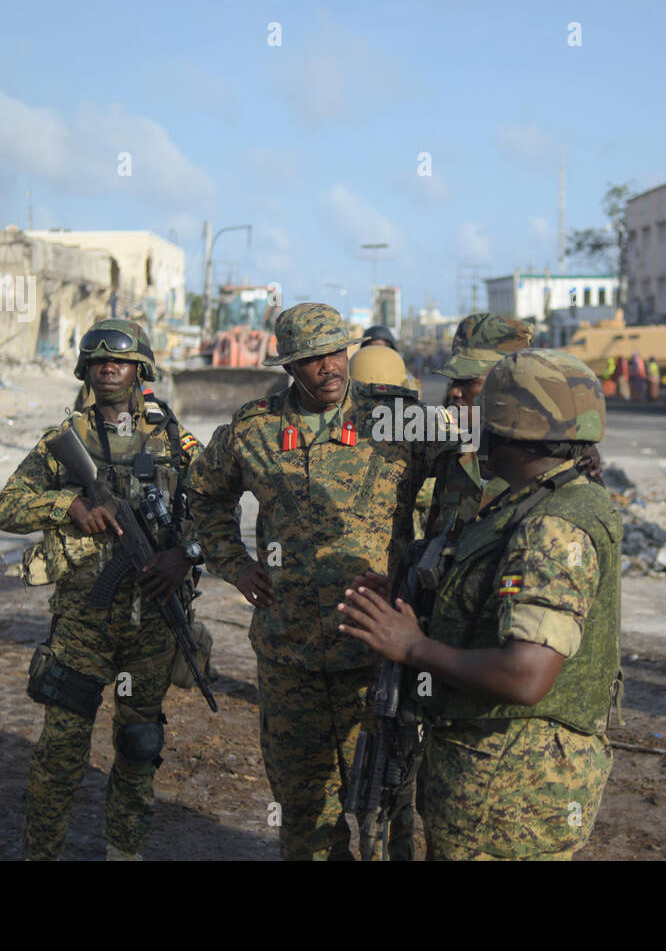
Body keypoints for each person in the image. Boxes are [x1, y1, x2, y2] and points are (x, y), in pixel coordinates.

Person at [337, 349, 622, 860]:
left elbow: (525, 675)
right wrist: (414, 597)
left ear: (510, 429)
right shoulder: (536, 497)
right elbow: (488, 602)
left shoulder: (552, 526)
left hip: (511, 798)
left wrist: (413, 647)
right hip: (490, 784)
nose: (473, 426)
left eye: (485, 417)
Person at [184, 303, 435, 860]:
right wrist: (234, 563)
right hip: (289, 655)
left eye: (336, 353)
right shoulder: (254, 429)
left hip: (375, 656)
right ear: (289, 368)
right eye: (312, 359)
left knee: (386, 805)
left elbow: (475, 461)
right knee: (303, 810)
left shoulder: (396, 419)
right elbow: (203, 494)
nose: (329, 367)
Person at [0, 318, 205, 861]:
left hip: (154, 623)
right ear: (86, 370)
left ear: (141, 370)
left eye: (122, 360)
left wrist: (186, 556)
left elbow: (217, 510)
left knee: (139, 747)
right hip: (83, 623)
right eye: (100, 360)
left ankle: (124, 852)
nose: (110, 367)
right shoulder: (64, 441)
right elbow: (7, 506)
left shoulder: (177, 443)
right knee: (61, 748)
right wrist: (68, 505)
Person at [424, 313, 533, 539]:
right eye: (454, 381)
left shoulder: (542, 470)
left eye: (468, 382)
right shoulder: (456, 457)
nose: (454, 392)